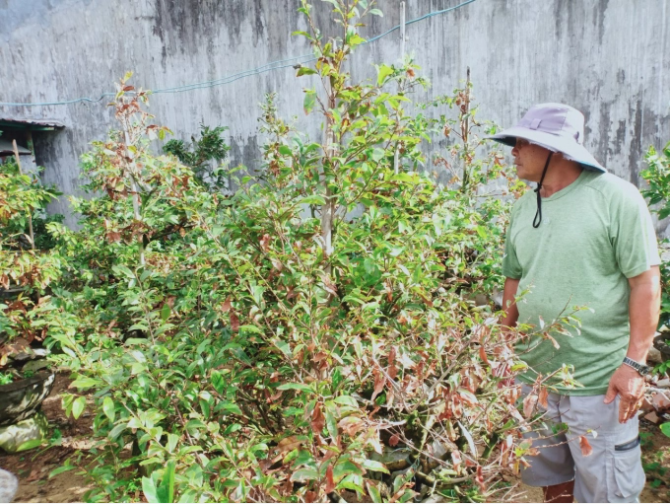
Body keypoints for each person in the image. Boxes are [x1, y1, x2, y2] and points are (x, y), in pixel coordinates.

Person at [489, 103, 661, 503]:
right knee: (552, 477)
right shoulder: (522, 207)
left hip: (598, 383)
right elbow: (514, 280)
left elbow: (646, 283)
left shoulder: (616, 198)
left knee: (607, 490)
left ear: (556, 150)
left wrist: (633, 364)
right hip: (534, 378)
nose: (513, 150)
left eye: (522, 142)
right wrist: (500, 347)